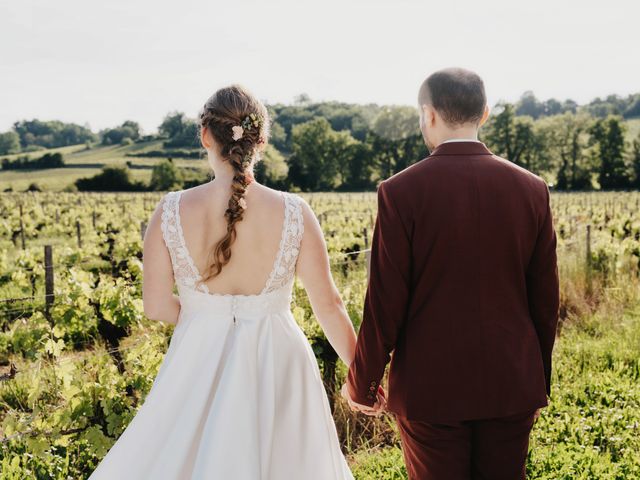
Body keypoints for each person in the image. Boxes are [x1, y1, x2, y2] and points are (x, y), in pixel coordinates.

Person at [89, 84, 368, 479]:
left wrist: (206, 317)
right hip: (280, 359)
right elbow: (329, 306)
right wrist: (363, 377)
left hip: (197, 355)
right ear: (262, 141)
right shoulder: (295, 212)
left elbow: (155, 306)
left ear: (205, 136)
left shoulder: (169, 211)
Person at [342, 67, 560, 480]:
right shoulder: (532, 189)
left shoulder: (400, 192)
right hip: (510, 383)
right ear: (486, 113)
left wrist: (363, 384)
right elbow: (545, 301)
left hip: (430, 391)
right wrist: (534, 377)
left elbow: (385, 303)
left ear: (428, 114)